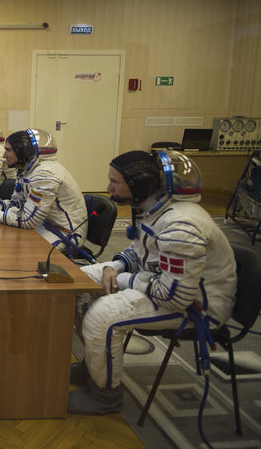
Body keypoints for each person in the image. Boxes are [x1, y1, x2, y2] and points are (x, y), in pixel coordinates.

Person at [68, 150, 237, 415]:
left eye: (115, 182)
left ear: (142, 185)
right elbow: (141, 252)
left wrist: (122, 279)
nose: (108, 187)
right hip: (166, 284)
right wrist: (116, 265)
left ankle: (105, 395)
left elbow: (175, 296)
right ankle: (93, 364)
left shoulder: (181, 224)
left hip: (197, 306)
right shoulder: (157, 208)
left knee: (103, 314)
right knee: (78, 280)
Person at [0, 128, 88, 250]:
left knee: (17, 247)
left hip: (65, 234)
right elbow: (18, 203)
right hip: (44, 224)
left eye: (8, 150)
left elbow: (28, 220)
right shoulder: (28, 169)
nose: (3, 155)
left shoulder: (45, 174)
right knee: (5, 239)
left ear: (22, 152)